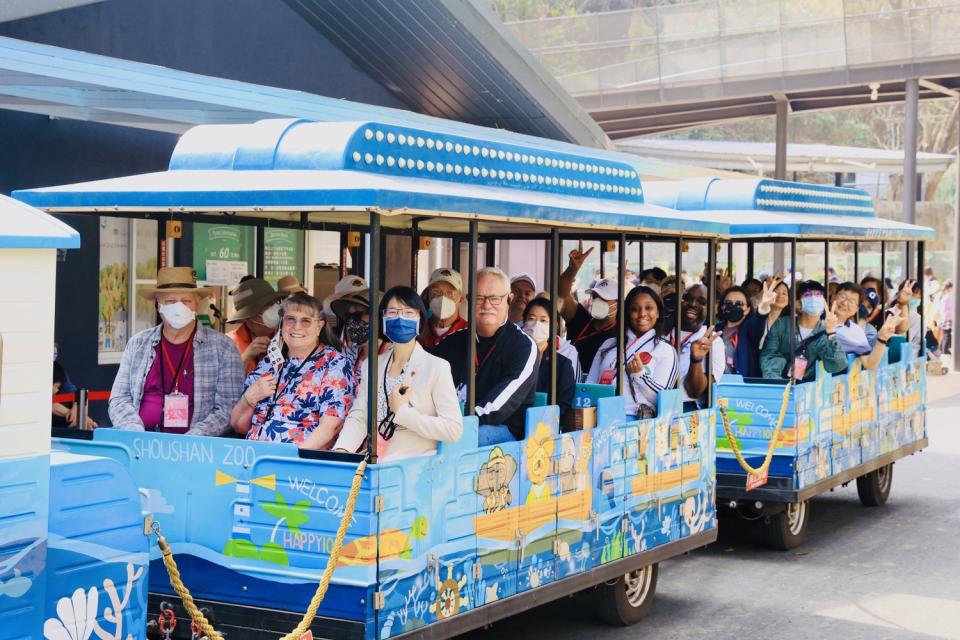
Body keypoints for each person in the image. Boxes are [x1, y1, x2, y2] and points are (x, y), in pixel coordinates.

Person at [109, 267, 243, 434]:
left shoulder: (223, 348)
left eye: (186, 300)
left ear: (198, 303)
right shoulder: (137, 344)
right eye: (171, 301)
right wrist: (135, 431)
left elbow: (228, 408)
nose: (178, 307)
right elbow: (119, 399)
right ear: (158, 304)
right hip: (142, 445)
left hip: (196, 450)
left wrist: (191, 440)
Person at [333, 286, 463, 460]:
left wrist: (403, 414)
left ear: (420, 319)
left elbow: (453, 429)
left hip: (412, 470)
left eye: (409, 312)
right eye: (392, 312)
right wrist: (342, 450)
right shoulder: (371, 365)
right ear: (382, 319)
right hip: (374, 464)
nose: (400, 318)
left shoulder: (436, 367)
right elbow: (360, 415)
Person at [431, 267, 539, 445]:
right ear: (469, 300)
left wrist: (458, 424)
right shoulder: (452, 342)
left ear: (509, 300)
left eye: (495, 298)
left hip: (502, 432)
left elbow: (496, 409)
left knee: (470, 437)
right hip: (452, 423)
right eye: (479, 298)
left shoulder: (524, 346)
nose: (487, 305)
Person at [231, 293, 354, 448]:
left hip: (299, 465)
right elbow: (238, 425)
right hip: (255, 460)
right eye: (290, 319)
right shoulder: (269, 363)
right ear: (282, 323)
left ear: (319, 326)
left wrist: (293, 458)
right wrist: (248, 398)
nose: (297, 327)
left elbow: (331, 427)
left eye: (306, 321)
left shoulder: (334, 364)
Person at [586, 286, 678, 419]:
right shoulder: (609, 345)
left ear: (658, 312)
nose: (642, 314)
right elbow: (590, 384)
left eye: (648, 308)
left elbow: (663, 399)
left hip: (637, 422)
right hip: (599, 417)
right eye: (634, 309)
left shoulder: (665, 350)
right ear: (627, 314)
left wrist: (640, 376)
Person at [760, 280, 847, 381]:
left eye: (819, 295)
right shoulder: (782, 324)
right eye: (808, 295)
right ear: (798, 303)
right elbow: (769, 355)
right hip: (779, 383)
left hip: (807, 388)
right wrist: (777, 383)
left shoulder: (825, 332)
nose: (814, 299)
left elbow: (838, 364)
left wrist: (831, 333)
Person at [558, 241, 619, 374]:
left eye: (604, 298)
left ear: (618, 304)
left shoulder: (623, 333)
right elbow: (561, 294)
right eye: (595, 296)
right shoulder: (581, 320)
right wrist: (572, 270)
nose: (597, 301)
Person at [667, 284, 724, 406]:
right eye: (687, 298)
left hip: (687, 410)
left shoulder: (713, 341)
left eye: (701, 302)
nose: (693, 304)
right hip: (654, 408)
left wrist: (695, 360)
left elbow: (695, 393)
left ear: (709, 309)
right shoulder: (661, 333)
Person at [522, 297, 576, 425]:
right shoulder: (512, 357)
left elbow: (564, 406)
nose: (536, 324)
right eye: (531, 318)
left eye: (543, 320)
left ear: (553, 326)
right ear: (524, 322)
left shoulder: (562, 365)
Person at [714, 280, 778, 378]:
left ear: (747, 309)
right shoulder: (715, 329)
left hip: (741, 388)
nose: (734, 306)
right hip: (715, 385)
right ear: (722, 307)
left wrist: (764, 306)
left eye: (739, 304)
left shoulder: (749, 328)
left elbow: (758, 320)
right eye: (728, 303)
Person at [832, 282, 901, 370]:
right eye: (842, 296)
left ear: (856, 309)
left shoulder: (856, 331)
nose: (845, 303)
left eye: (851, 301)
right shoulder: (816, 319)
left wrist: (883, 338)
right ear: (833, 297)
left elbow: (869, 364)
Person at [226, 278, 283, 374]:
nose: (274, 309)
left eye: (275, 302)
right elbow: (226, 383)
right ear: (247, 317)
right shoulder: (229, 344)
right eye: (267, 304)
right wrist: (246, 357)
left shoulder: (287, 336)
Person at [330, 283, 375, 382]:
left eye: (358, 315)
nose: (352, 321)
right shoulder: (348, 354)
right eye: (349, 316)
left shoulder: (391, 358)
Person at [420, 268, 467, 348]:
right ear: (428, 296)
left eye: (450, 293)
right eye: (436, 291)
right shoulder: (419, 331)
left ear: (461, 299)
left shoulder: (468, 333)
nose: (442, 298)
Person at [939, 281, 954, 356]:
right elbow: (949, 309)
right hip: (948, 319)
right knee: (947, 335)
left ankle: (942, 349)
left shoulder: (944, 296)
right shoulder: (948, 297)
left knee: (945, 335)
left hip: (944, 318)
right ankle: (945, 351)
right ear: (950, 288)